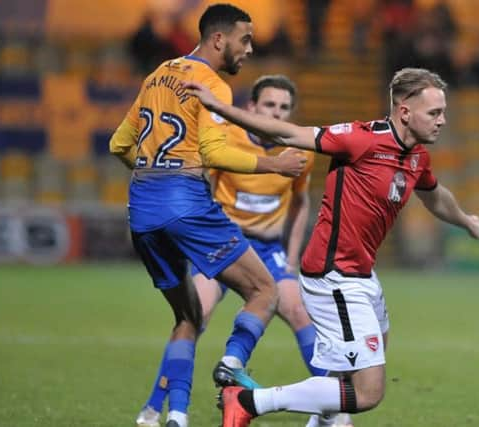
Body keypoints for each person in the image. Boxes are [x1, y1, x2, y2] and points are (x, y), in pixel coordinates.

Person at [183, 67, 479, 427]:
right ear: (405, 111)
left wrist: (465, 220)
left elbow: (436, 197)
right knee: (367, 392)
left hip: (362, 275)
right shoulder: (360, 139)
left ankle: (321, 422)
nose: (442, 121)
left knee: (352, 370)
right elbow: (286, 131)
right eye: (434, 113)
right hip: (333, 277)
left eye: (443, 112)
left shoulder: (417, 157)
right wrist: (220, 106)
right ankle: (250, 401)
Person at [109, 4, 307, 427]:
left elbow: (118, 145)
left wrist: (157, 179)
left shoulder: (157, 74)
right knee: (265, 292)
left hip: (141, 208)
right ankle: (232, 364)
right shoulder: (210, 82)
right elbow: (215, 152)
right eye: (245, 39)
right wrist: (275, 166)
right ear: (220, 39)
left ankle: (175, 415)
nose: (249, 49)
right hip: (186, 203)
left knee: (187, 317)